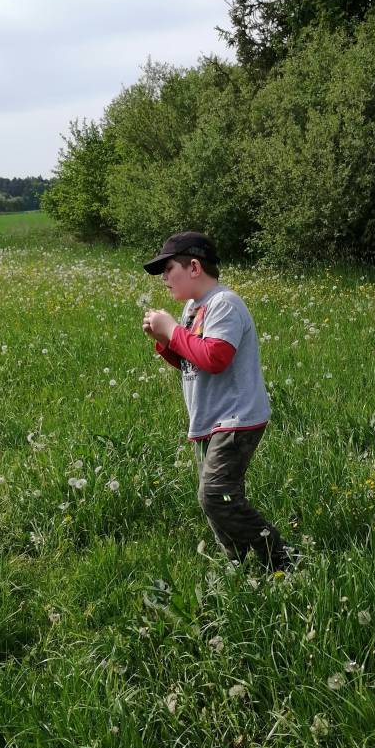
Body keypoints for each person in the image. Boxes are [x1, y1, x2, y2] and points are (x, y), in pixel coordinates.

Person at [141, 231, 289, 570]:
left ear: (194, 267)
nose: (164, 278)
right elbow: (191, 360)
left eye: (169, 269)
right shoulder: (193, 308)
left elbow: (216, 358)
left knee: (215, 495)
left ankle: (280, 557)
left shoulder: (224, 304)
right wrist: (165, 340)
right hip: (209, 418)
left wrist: (172, 330)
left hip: (236, 417)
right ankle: (239, 562)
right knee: (215, 497)